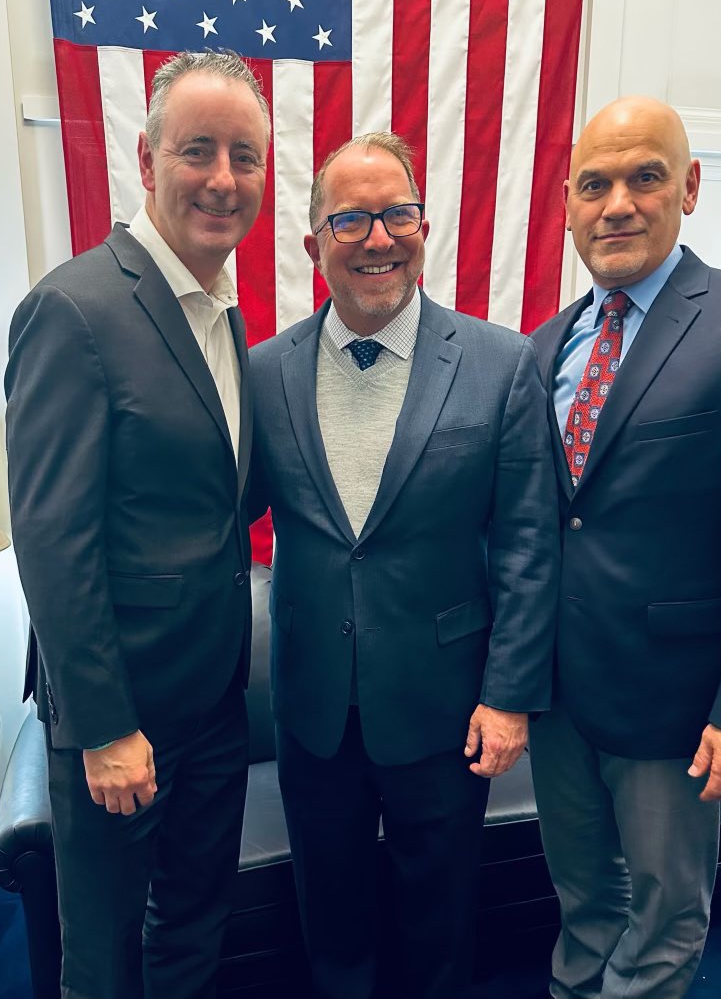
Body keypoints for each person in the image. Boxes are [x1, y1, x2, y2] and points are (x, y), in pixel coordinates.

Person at [248, 132, 559, 999]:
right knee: (332, 918)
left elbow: (531, 542)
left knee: (441, 917)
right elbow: (215, 518)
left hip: (446, 705)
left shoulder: (501, 364)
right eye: (350, 219)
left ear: (426, 226)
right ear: (315, 246)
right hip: (311, 711)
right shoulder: (265, 373)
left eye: (398, 214)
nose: (378, 238)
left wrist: (509, 695)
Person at [4, 51, 269, 999]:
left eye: (246, 155)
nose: (224, 179)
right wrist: (107, 727)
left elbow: (211, 496)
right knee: (106, 961)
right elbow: (53, 538)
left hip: (213, 711)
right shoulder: (74, 310)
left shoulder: (220, 314)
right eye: (199, 150)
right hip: (123, 725)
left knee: (196, 927)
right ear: (149, 159)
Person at [530, 96, 721, 999]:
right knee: (584, 900)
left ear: (689, 187)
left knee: (664, 918)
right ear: (570, 208)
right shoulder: (549, 344)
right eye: (594, 185)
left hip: (679, 706)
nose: (617, 203)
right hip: (558, 700)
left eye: (643, 177)